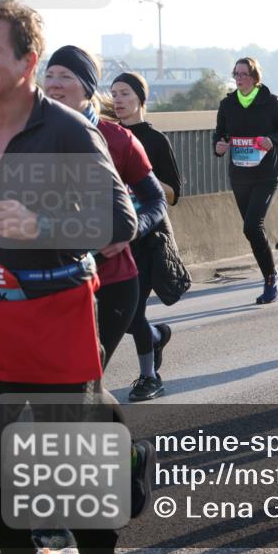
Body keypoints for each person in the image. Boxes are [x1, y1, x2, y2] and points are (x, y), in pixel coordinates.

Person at [0, 0, 152, 554]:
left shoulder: (67, 131)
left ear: (28, 60)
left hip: (55, 314)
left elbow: (121, 221)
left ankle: (103, 540)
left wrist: (41, 224)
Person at [43, 48, 168, 403]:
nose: (54, 84)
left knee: (79, 384)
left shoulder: (119, 139)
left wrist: (129, 229)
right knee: (62, 385)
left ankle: (126, 455)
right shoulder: (26, 134)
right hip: (49, 281)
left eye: (66, 77)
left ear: (87, 87)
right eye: (49, 75)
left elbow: (157, 202)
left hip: (110, 282)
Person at [111, 71, 187, 390]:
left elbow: (173, 193)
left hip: (147, 237)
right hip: (113, 235)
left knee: (133, 311)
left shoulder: (155, 140)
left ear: (141, 99)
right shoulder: (105, 136)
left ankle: (149, 377)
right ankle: (156, 336)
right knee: (117, 314)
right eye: (113, 93)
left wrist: (140, 179)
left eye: (125, 93)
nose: (117, 99)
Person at [214, 57, 278, 304]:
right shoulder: (227, 104)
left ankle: (271, 280)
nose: (239, 78)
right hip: (239, 175)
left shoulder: (269, 102)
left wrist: (272, 139)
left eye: (243, 74)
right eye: (236, 74)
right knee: (253, 231)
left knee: (251, 226)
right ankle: (272, 274)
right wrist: (219, 146)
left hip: (266, 176)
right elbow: (220, 134)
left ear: (254, 76)